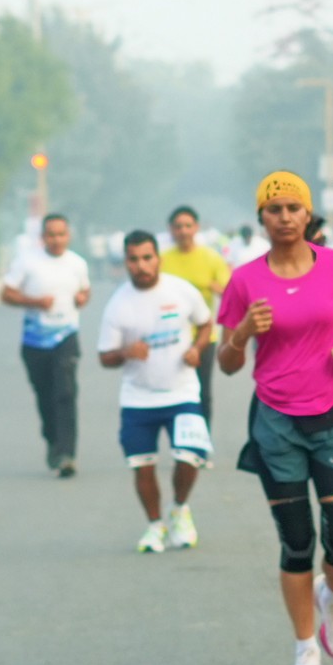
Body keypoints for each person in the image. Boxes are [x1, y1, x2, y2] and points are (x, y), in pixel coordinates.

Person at [219, 171, 333, 665]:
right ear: (261, 218)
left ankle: (331, 594)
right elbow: (226, 364)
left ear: (308, 215)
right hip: (275, 421)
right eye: (273, 209)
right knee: (297, 542)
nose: (284, 217)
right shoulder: (244, 280)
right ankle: (306, 650)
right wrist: (242, 332)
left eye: (292, 208)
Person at [99, 229, 216, 553]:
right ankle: (154, 525)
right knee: (142, 466)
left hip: (182, 392)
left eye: (147, 258)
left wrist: (197, 348)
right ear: (125, 263)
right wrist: (125, 353)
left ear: (158, 259)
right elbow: (104, 357)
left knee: (189, 457)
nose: (141, 265)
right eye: (134, 260)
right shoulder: (118, 305)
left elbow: (206, 322)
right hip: (139, 398)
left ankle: (179, 509)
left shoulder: (181, 291)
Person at [0, 212, 92, 476]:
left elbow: (85, 290)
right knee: (45, 395)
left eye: (61, 234)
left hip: (66, 336)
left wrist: (83, 298)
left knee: (66, 393)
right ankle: (52, 440)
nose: (56, 240)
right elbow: (7, 294)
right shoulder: (27, 262)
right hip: (35, 342)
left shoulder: (77, 263)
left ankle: (67, 454)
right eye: (51, 235)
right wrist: (35, 302)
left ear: (68, 235)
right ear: (43, 237)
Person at [163, 205, 233, 422]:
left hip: (203, 337)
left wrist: (216, 288)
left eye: (188, 226)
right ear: (171, 230)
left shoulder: (211, 258)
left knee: (202, 393)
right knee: (172, 393)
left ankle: (202, 439)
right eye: (178, 227)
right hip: (170, 337)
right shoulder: (162, 259)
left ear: (196, 228)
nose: (183, 231)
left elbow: (230, 293)